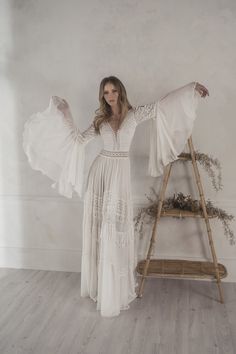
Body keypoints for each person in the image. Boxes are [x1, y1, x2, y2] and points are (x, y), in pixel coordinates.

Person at [22, 76, 209, 317]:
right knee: (102, 228)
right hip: (100, 173)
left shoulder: (134, 114)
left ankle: (115, 290)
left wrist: (191, 88)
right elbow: (78, 140)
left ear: (120, 92)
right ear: (103, 95)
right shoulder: (100, 119)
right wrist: (65, 113)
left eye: (113, 91)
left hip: (119, 176)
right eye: (106, 92)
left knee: (115, 228)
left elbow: (162, 105)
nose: (110, 96)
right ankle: (101, 287)